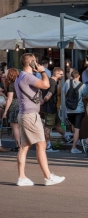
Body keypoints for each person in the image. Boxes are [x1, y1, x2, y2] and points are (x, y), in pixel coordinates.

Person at [15, 53, 65, 186]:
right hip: (31, 115)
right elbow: (46, 84)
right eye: (35, 62)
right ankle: (48, 177)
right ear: (31, 63)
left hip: (24, 113)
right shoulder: (28, 77)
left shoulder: (19, 77)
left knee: (24, 146)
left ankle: (22, 177)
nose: (37, 64)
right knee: (41, 144)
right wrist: (42, 71)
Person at [41, 67, 72, 153]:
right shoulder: (53, 83)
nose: (62, 76)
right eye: (61, 74)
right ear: (56, 74)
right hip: (50, 108)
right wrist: (43, 101)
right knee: (47, 127)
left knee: (57, 124)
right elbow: (49, 94)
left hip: (52, 108)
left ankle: (67, 137)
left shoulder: (49, 81)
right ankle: (47, 146)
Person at [63, 70, 88, 154]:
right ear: (79, 76)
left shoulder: (67, 82)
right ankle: (74, 147)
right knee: (77, 129)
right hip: (79, 109)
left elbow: (64, 93)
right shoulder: (83, 85)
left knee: (73, 125)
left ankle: (76, 140)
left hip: (69, 109)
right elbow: (84, 95)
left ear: (71, 76)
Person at [2, 68, 21, 151]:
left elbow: (10, 99)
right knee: (19, 127)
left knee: (15, 127)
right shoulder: (20, 83)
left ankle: (18, 145)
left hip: (14, 105)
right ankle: (21, 145)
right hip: (22, 104)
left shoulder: (11, 85)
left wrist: (5, 112)